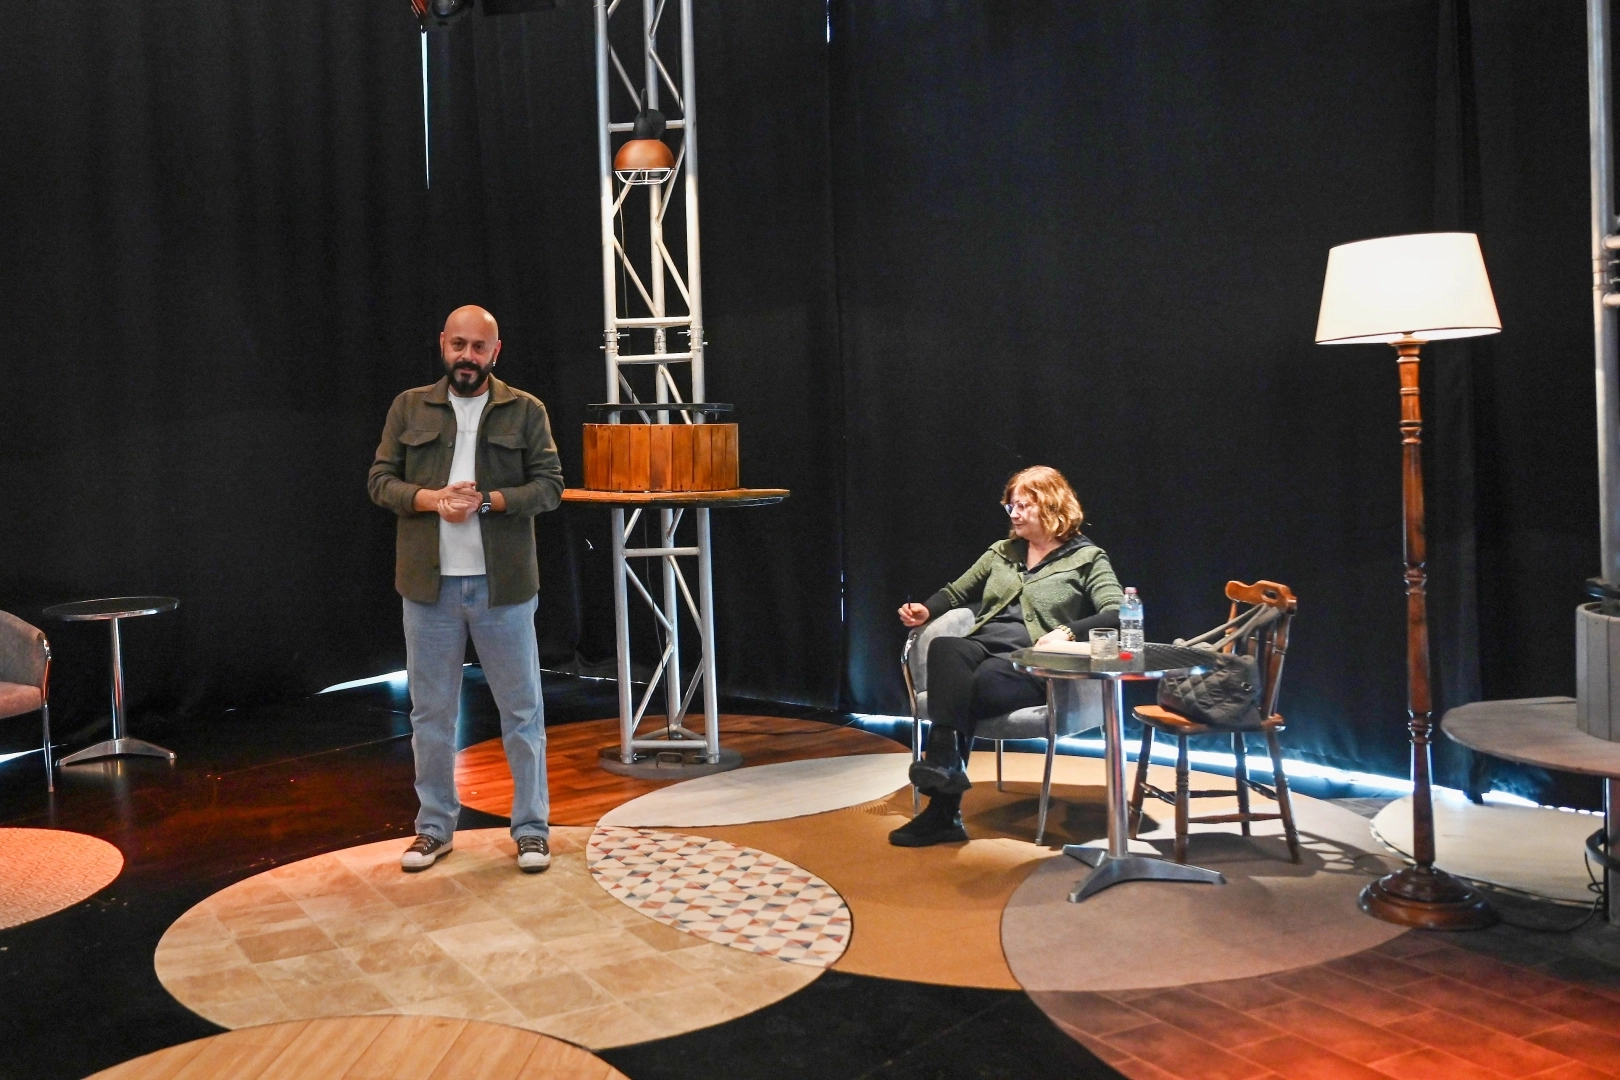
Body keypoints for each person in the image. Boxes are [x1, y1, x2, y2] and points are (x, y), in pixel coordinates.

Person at [368, 305, 565, 873]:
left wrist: (488, 502)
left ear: (495, 352)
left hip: (504, 589)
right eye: (459, 345)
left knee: (522, 713)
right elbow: (379, 481)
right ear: (442, 344)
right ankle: (434, 828)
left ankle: (532, 830)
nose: (467, 357)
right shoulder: (409, 406)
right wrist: (431, 500)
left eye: (479, 347)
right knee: (430, 715)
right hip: (428, 590)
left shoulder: (526, 410)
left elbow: (550, 487)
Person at [890, 466, 1123, 848]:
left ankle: (943, 809)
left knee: (967, 688)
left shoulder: (1087, 558)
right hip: (982, 645)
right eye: (1010, 506)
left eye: (1023, 506)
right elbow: (956, 592)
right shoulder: (1002, 552)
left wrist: (1067, 631)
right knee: (945, 646)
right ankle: (946, 765)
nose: (1014, 513)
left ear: (1051, 505)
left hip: (1031, 660)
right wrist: (925, 611)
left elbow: (1116, 612)